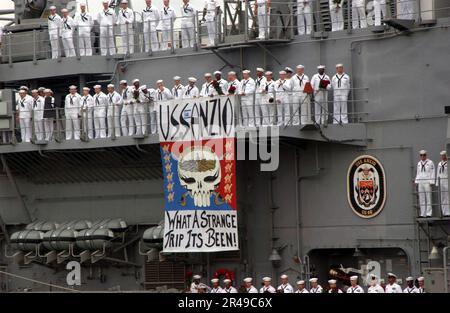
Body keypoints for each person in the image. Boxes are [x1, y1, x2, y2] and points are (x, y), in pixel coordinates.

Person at [415, 150, 435, 217]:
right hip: (421, 182)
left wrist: (432, 181)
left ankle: (429, 213)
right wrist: (416, 181)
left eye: (424, 155)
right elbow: (418, 173)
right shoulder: (419, 163)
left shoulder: (430, 162)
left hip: (427, 181)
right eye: (421, 155)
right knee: (421, 198)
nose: (422, 156)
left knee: (428, 198)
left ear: (426, 155)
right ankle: (422, 213)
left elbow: (432, 172)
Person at [437, 151, 449, 216]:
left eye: (444, 155)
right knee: (443, 197)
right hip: (441, 180)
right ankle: (444, 212)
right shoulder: (439, 163)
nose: (443, 157)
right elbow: (438, 173)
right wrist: (437, 182)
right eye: (442, 155)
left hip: (447, 180)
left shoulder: (448, 163)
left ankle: (448, 211)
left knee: (447, 196)